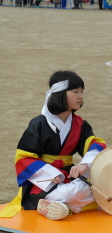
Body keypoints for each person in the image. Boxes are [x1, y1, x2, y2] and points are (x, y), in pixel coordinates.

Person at [0, 71, 106, 221]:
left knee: (100, 176)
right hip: (45, 181)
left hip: (70, 173)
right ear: (60, 94)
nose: (80, 96)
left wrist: (84, 165)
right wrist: (51, 174)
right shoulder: (39, 124)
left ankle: (58, 204)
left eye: (82, 92)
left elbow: (95, 145)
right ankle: (54, 201)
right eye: (75, 91)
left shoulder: (80, 124)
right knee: (71, 193)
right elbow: (24, 158)